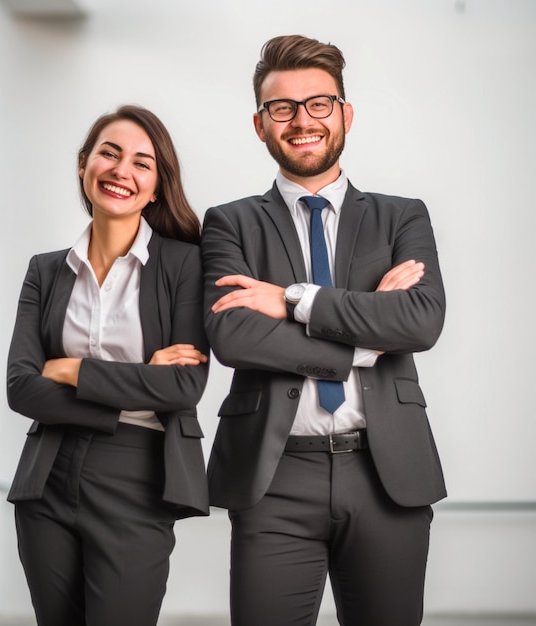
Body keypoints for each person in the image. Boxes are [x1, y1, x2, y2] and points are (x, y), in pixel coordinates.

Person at [201, 35, 446, 626]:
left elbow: (419, 320)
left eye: (318, 103)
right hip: (274, 474)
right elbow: (233, 338)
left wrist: (292, 301)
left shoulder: (401, 215)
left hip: (386, 472)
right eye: (281, 108)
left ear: (345, 114)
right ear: (260, 125)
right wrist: (365, 339)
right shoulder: (230, 224)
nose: (301, 121)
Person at [6, 104, 210, 626]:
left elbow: (184, 385)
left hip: (138, 475)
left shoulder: (184, 264)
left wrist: (71, 370)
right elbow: (20, 388)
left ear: (157, 187)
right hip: (47, 475)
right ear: (83, 165)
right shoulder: (46, 271)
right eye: (109, 154)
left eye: (142, 163)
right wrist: (142, 375)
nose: (122, 171)